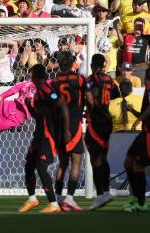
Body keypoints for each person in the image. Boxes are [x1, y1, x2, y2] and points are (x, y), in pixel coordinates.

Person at [18, 64, 70, 214]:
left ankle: (53, 204)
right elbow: (38, 116)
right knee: (29, 166)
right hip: (38, 135)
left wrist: (65, 131)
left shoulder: (47, 90)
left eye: (31, 74)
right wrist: (29, 107)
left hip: (48, 135)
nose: (29, 77)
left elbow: (63, 106)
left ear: (35, 76)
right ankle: (33, 199)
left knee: (41, 166)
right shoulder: (38, 93)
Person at [51, 51, 93, 212]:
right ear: (72, 63)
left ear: (60, 64)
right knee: (76, 161)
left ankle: (57, 199)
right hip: (74, 126)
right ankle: (69, 199)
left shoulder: (54, 82)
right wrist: (87, 112)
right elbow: (89, 99)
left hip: (59, 126)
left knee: (62, 162)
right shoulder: (80, 79)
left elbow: (53, 103)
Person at [123, 67, 150, 213]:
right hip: (146, 132)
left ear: (146, 77)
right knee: (128, 162)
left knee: (137, 167)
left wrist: (137, 120)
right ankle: (135, 199)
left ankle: (141, 202)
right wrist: (133, 111)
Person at [85, 54, 114, 210]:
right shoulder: (109, 79)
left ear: (91, 65)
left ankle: (101, 195)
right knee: (103, 157)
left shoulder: (90, 80)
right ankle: (106, 191)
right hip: (107, 122)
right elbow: (117, 93)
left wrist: (88, 109)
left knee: (95, 159)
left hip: (95, 122)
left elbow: (91, 96)